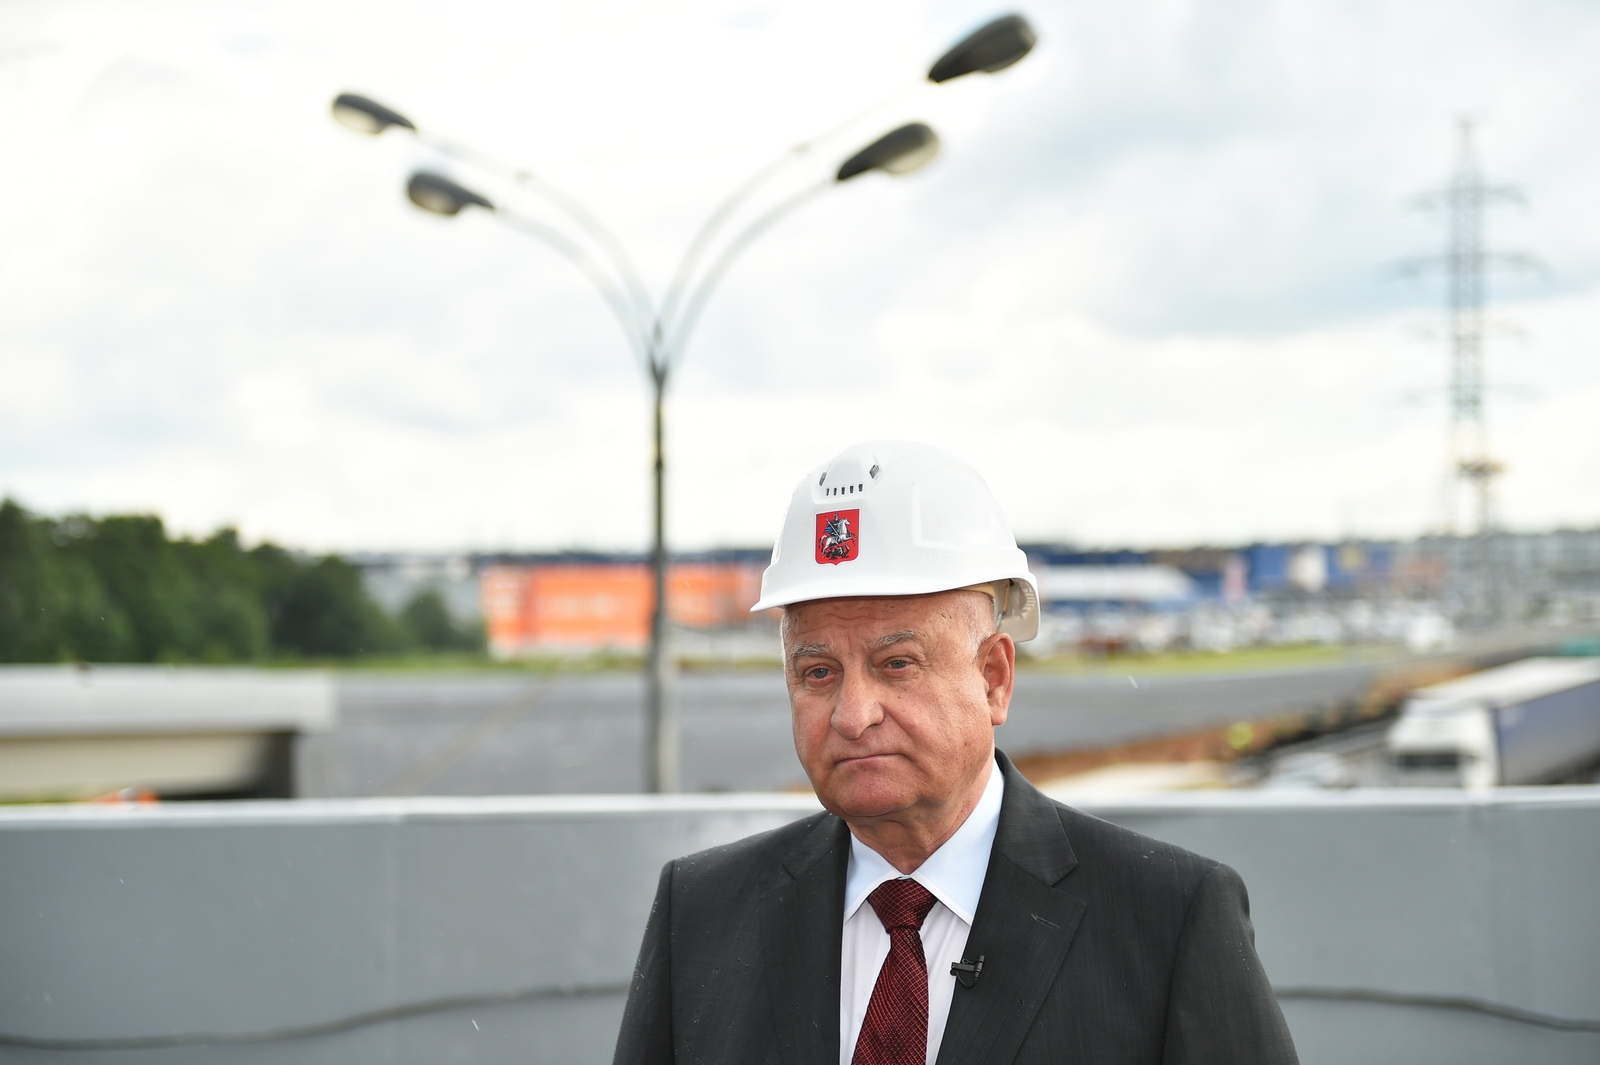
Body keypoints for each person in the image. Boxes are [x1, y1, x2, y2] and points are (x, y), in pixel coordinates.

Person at [613, 440, 1298, 1065]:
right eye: (818, 672)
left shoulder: (1168, 920)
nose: (853, 715)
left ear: (994, 677)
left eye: (897, 664)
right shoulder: (700, 914)